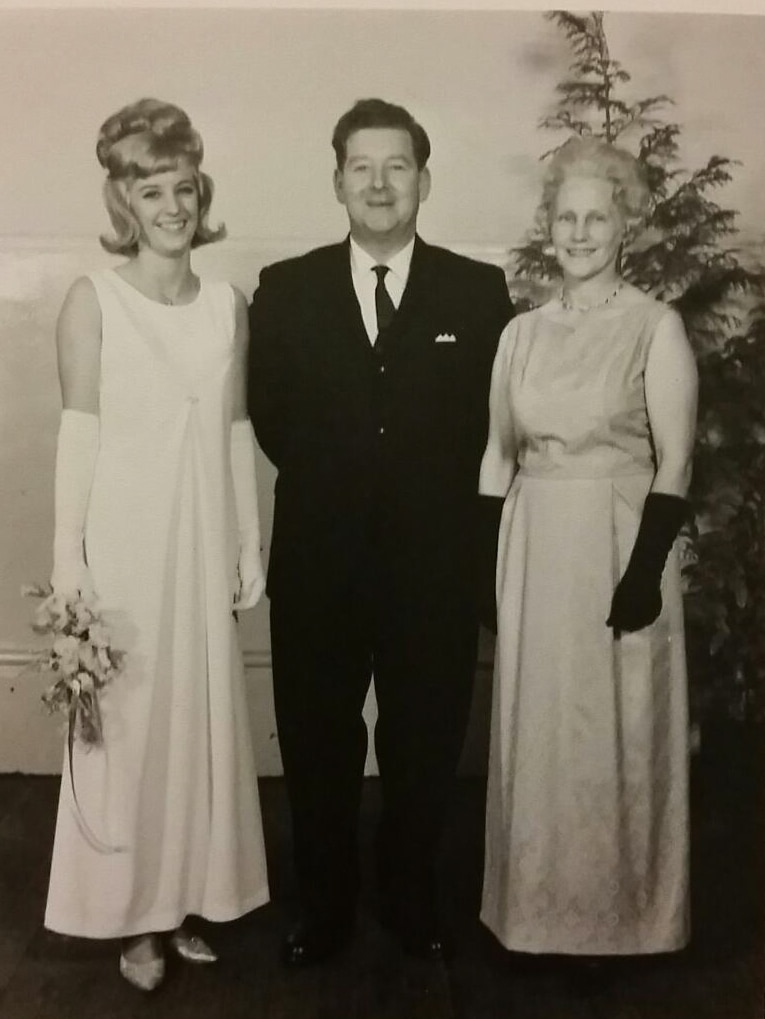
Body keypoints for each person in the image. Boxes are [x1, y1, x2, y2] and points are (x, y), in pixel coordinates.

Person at [248, 97, 513, 966]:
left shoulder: (479, 294)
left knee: (423, 741)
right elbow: (272, 418)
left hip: (432, 569)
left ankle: (409, 897)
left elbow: (490, 427)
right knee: (320, 742)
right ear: (336, 182)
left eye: (396, 165)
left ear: (424, 180)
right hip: (319, 564)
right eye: (361, 166)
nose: (378, 182)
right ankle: (322, 908)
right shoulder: (284, 290)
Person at [44, 98, 269, 991]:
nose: (172, 206)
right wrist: (71, 566)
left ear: (198, 191)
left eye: (183, 187)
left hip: (203, 540)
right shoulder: (91, 300)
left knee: (197, 722)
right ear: (123, 203)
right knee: (130, 731)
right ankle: (128, 919)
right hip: (126, 547)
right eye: (150, 190)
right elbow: (79, 439)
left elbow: (233, 430)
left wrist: (249, 545)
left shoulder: (226, 305)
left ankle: (180, 901)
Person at [478, 136, 697, 961]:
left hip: (617, 546)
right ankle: (536, 914)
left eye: (595, 217)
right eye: (564, 217)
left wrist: (642, 573)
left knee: (618, 730)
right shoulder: (520, 335)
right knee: (542, 733)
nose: (578, 232)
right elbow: (496, 456)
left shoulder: (654, 326)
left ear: (623, 226)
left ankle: (627, 921)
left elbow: (674, 459)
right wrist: (481, 572)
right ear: (549, 225)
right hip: (534, 549)